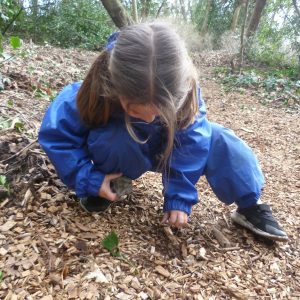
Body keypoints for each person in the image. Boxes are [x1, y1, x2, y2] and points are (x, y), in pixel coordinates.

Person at [38, 22, 288, 242]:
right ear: (115, 87)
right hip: (126, 151)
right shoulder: (94, 91)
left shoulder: (185, 93)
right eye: (136, 111)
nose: (149, 118)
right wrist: (89, 178)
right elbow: (58, 137)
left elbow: (193, 145)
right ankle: (111, 183)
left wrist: (179, 197)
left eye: (159, 113)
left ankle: (249, 205)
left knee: (220, 139)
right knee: (113, 137)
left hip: (170, 149)